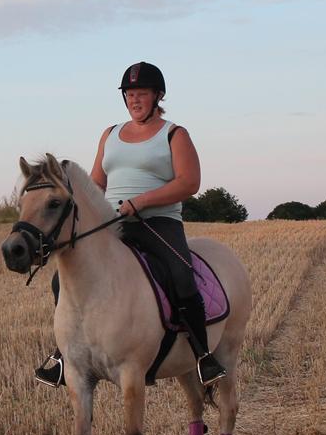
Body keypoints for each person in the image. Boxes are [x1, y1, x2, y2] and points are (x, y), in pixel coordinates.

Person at [35, 61, 226, 388]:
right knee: (60, 280)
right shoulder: (110, 134)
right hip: (114, 226)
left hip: (159, 223)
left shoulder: (174, 135)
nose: (135, 100)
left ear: (158, 96)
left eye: (142, 93)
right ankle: (64, 353)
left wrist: (142, 201)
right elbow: (97, 182)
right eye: (130, 94)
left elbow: (189, 182)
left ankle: (202, 356)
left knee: (181, 275)